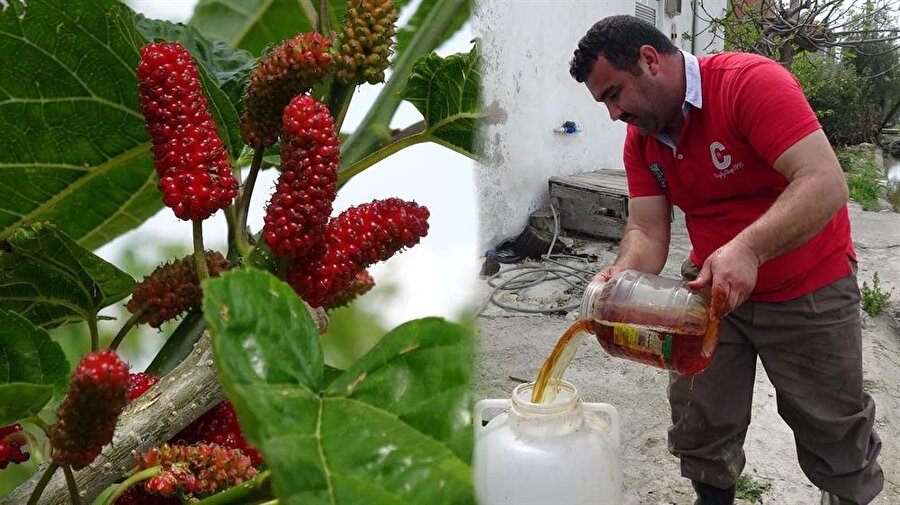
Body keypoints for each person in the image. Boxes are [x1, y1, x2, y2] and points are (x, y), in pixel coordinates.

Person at [568, 15, 883, 505]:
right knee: (700, 418)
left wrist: (750, 248)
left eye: (614, 94)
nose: (613, 113)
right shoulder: (642, 138)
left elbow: (824, 182)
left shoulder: (749, 84)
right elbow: (647, 230)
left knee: (833, 426)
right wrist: (622, 274)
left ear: (650, 60)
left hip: (809, 285)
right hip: (708, 291)